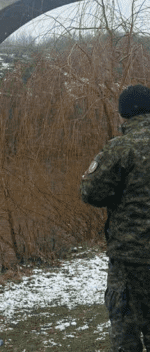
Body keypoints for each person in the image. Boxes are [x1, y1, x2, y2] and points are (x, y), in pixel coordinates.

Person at [80, 84, 150, 352]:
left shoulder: (120, 149)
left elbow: (90, 193)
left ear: (124, 114)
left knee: (126, 331)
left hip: (129, 259)